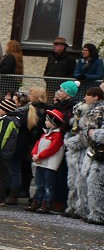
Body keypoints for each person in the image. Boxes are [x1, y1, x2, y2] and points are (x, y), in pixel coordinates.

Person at [68, 87, 103, 221]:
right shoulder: (83, 109)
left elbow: (94, 130)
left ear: (96, 97)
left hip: (96, 149)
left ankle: (96, 214)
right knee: (81, 179)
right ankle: (81, 208)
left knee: (95, 182)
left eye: (88, 95)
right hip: (90, 148)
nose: (85, 97)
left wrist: (93, 134)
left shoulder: (99, 110)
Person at [26, 109, 66, 213]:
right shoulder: (45, 134)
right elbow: (37, 145)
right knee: (39, 185)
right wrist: (34, 154)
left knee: (48, 186)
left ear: (53, 122)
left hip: (49, 165)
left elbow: (51, 149)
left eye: (47, 120)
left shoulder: (57, 136)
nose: (45, 122)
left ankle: (46, 204)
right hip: (40, 163)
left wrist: (39, 156)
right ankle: (36, 202)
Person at [0, 98, 21, 205]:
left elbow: (2, 138)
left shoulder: (7, 121)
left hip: (2, 152)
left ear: (5, 110)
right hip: (6, 152)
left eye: (1, 108)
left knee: (1, 175)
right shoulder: (10, 120)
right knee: (1, 174)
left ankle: (0, 196)